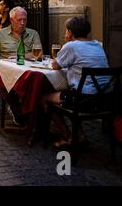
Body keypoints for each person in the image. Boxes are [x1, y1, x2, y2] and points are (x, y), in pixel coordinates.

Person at [42, 17, 109, 148]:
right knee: (68, 93)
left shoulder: (71, 46)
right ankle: (81, 136)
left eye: (66, 31)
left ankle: (68, 137)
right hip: (103, 99)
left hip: (83, 100)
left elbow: (56, 66)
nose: (65, 33)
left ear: (70, 32)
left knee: (44, 97)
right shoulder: (98, 45)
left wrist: (65, 47)